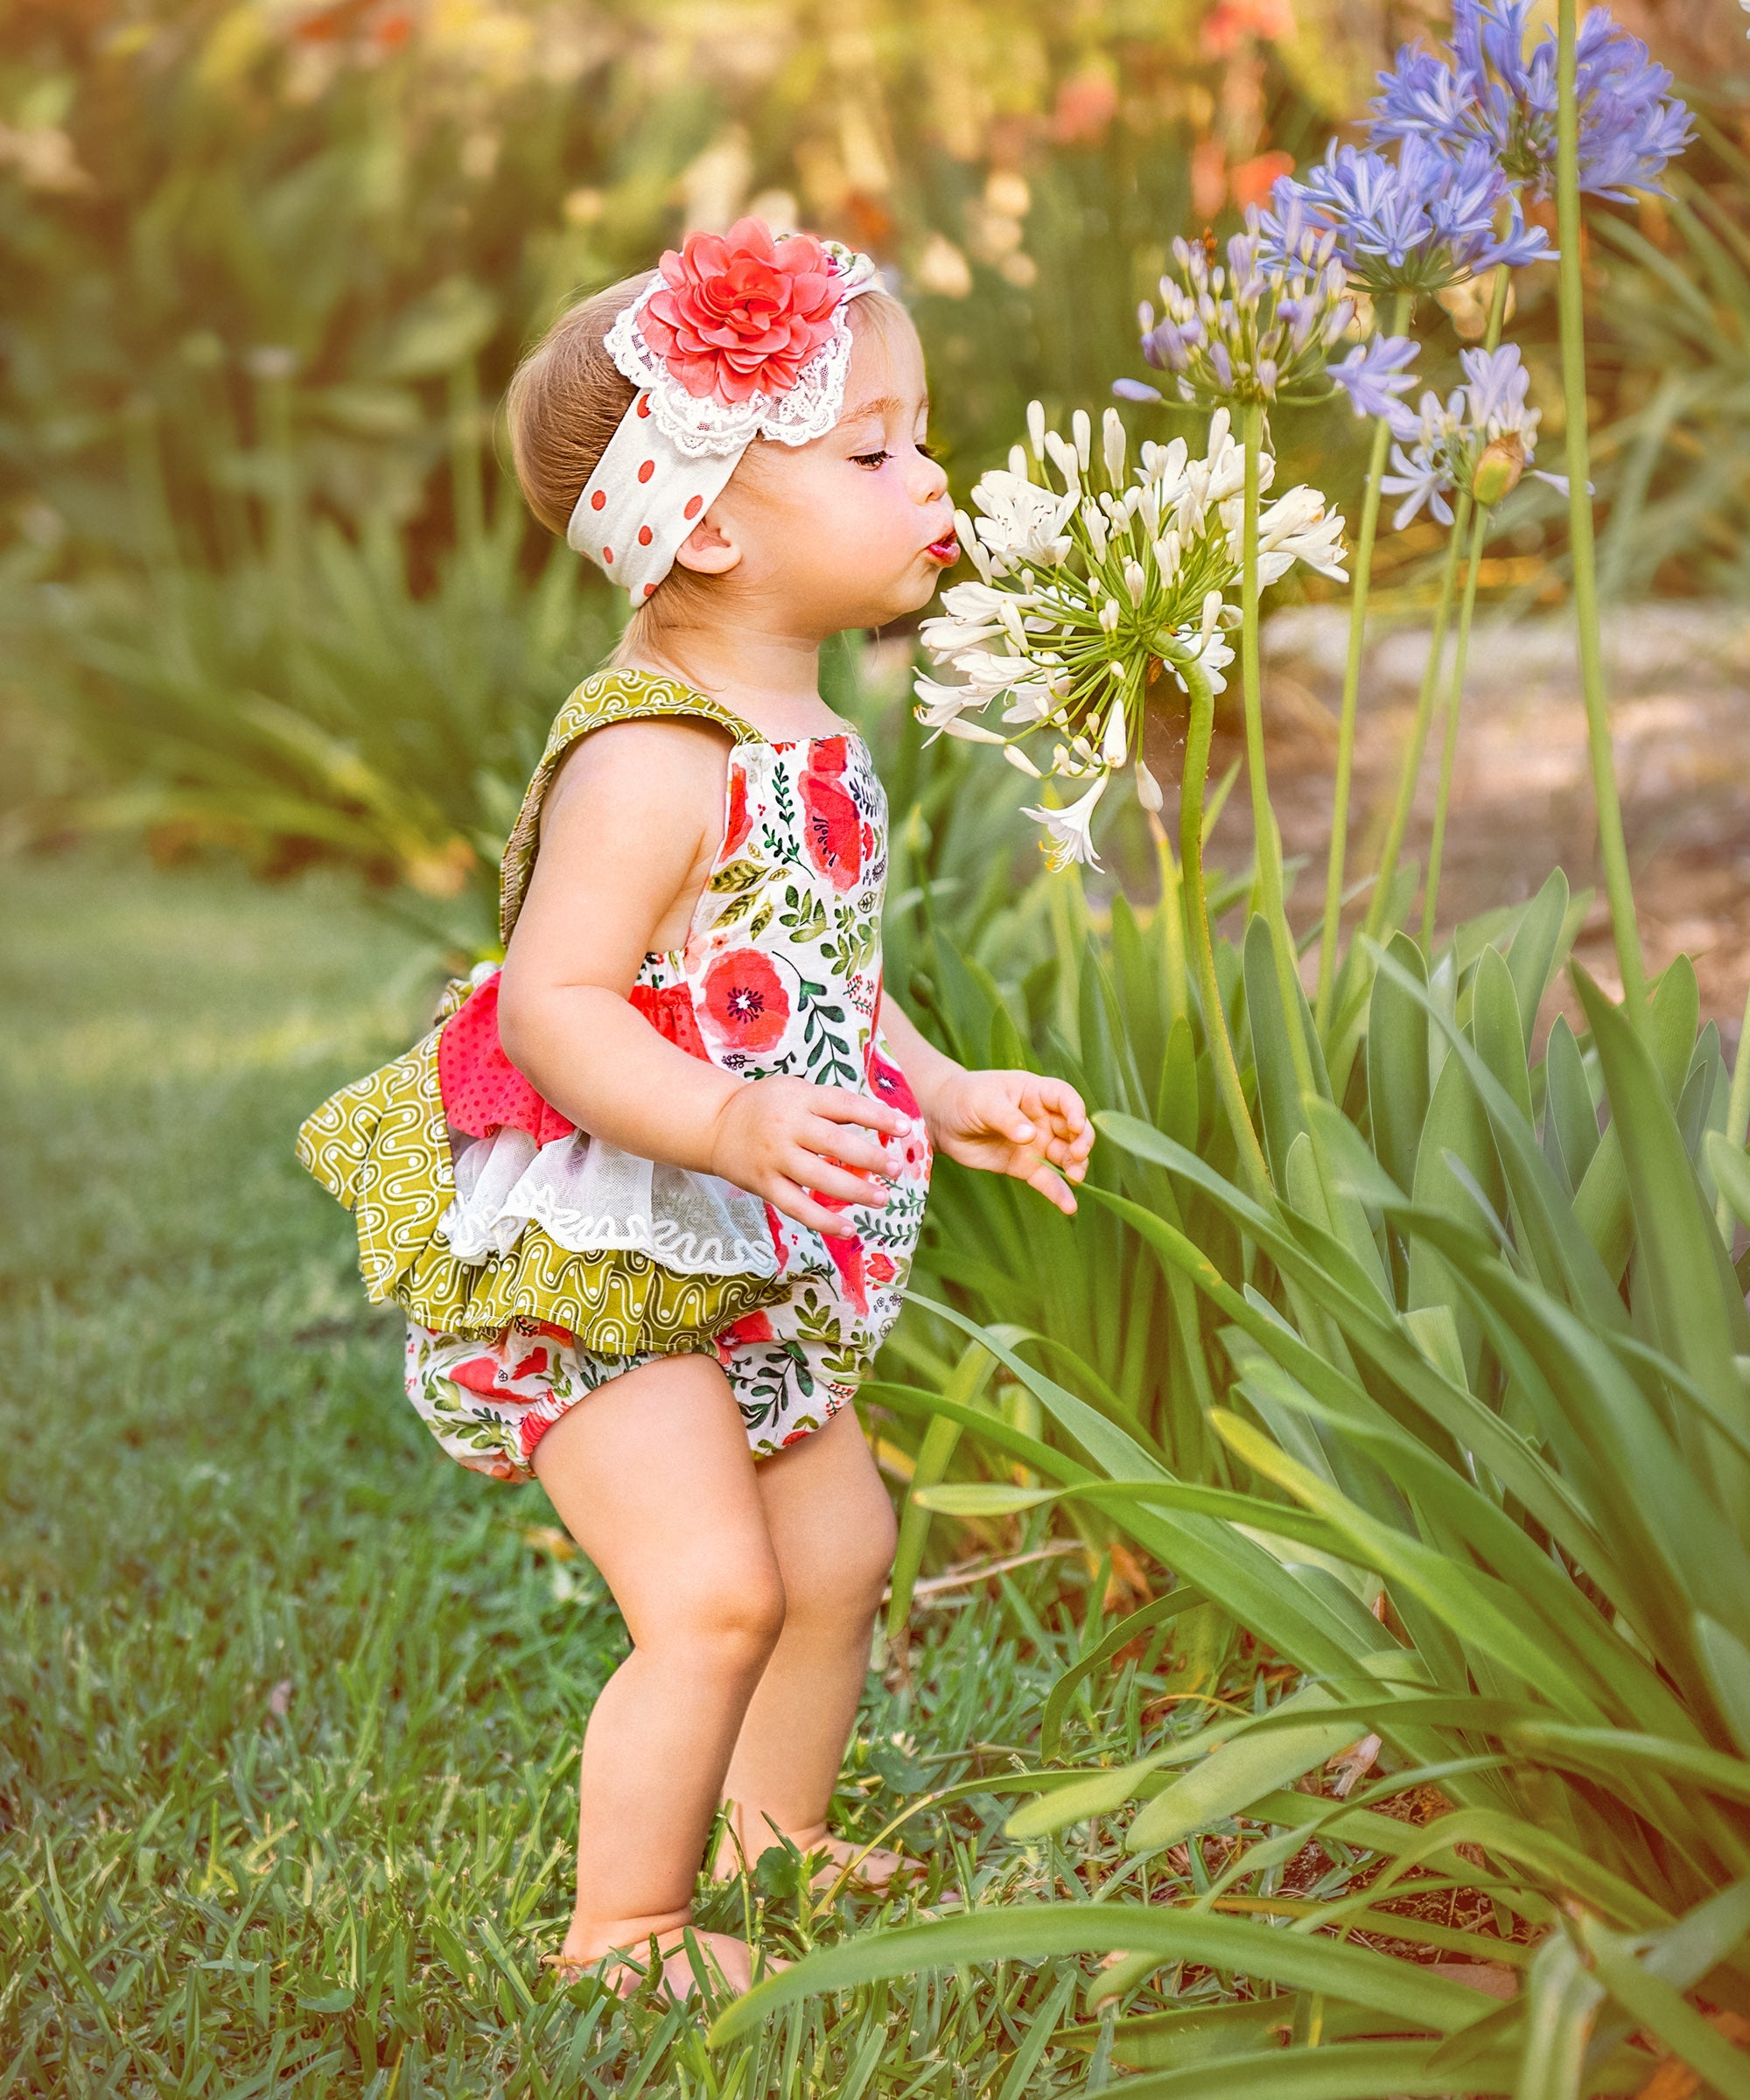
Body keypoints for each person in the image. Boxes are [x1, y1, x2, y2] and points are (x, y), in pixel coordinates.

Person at [298, 218, 1095, 2003]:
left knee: (839, 1546)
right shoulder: (649, 752)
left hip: (729, 1244)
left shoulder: (806, 730)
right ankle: (622, 1932)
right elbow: (557, 1004)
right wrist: (730, 1130)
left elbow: (811, 971)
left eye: (920, 438)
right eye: (876, 450)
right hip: (597, 1255)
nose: (929, 476)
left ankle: (772, 1833)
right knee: (717, 1592)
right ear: (712, 523)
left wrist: (942, 1085)